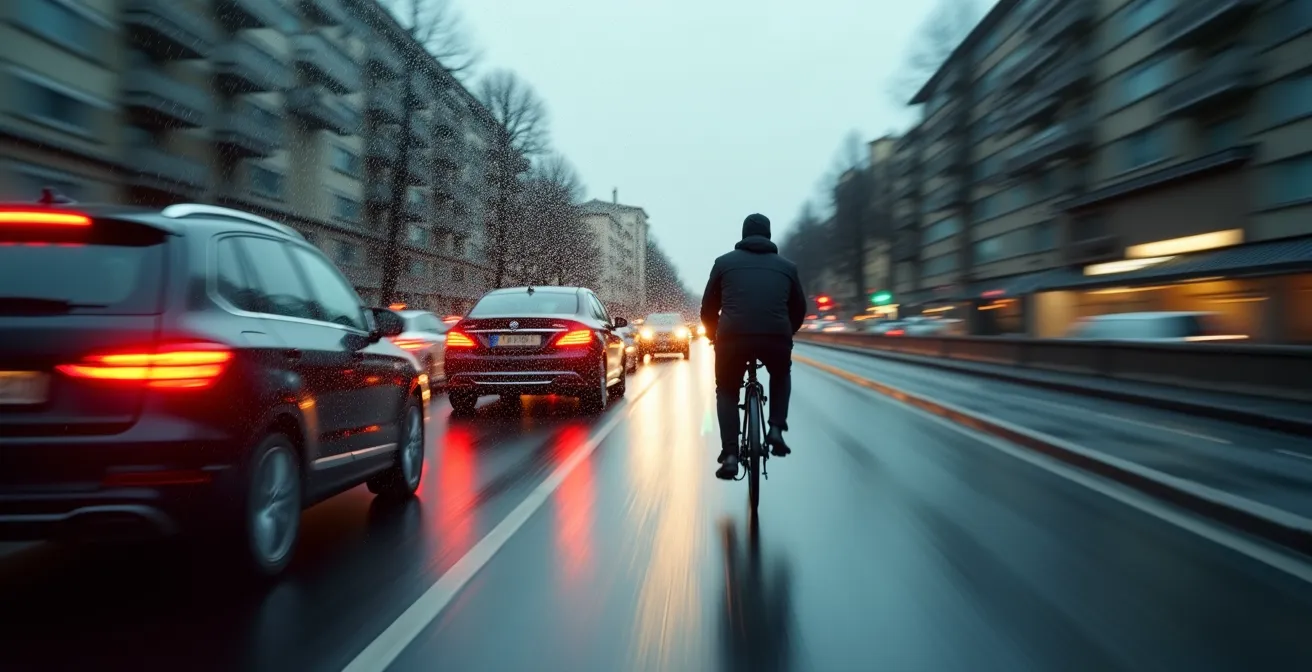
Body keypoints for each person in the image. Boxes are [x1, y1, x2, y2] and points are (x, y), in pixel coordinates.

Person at [700, 213, 807, 480]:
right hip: (775, 337)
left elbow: (708, 308)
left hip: (732, 339)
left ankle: (731, 454)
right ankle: (775, 429)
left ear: (744, 234)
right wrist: (785, 333)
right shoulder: (787, 267)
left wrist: (713, 335)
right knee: (780, 374)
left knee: (726, 389)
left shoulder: (723, 264)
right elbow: (799, 309)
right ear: (769, 235)